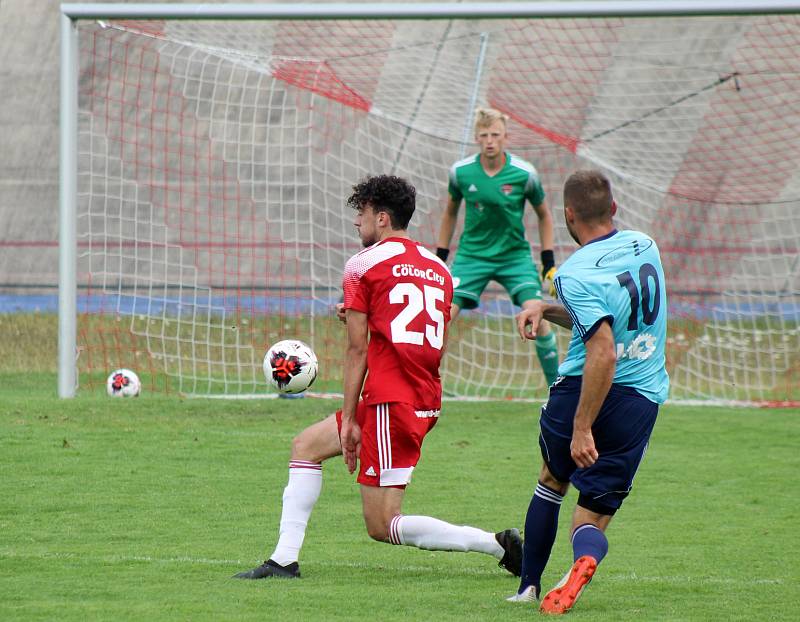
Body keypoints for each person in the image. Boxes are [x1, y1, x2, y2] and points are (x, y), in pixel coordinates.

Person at [234, 174, 522, 580]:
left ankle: (497, 544)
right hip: (415, 394)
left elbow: (357, 350)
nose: (357, 222)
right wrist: (364, 314)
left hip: (392, 400)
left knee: (382, 524)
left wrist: (350, 417)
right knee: (306, 446)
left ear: (382, 218)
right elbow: (426, 324)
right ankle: (283, 560)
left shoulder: (362, 264)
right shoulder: (439, 269)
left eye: (362, 213)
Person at [507, 170, 669, 614]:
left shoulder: (574, 271)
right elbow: (602, 316)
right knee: (591, 515)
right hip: (638, 402)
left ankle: (527, 588)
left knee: (551, 482)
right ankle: (585, 558)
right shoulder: (645, 246)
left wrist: (581, 427)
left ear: (568, 214)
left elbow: (602, 350)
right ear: (613, 209)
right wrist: (545, 308)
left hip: (581, 392)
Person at [436, 107, 560, 387]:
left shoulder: (524, 174)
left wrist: (548, 261)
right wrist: (440, 258)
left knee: (539, 316)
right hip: (472, 256)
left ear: (506, 137)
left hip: (514, 257)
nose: (490, 140)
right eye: (484, 135)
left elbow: (545, 215)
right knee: (440, 319)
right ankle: (424, 387)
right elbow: (449, 213)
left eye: (495, 134)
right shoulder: (461, 173)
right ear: (477, 139)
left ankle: (558, 390)